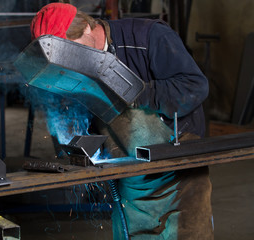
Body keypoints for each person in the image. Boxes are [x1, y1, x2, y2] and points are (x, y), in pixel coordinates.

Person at [30, 2, 213, 240]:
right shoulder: (75, 67)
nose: (71, 68)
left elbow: (195, 86)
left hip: (178, 171)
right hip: (130, 175)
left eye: (71, 56)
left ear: (86, 27)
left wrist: (137, 93)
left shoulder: (149, 37)